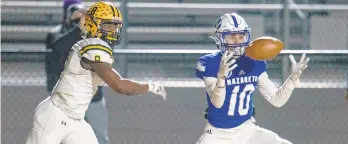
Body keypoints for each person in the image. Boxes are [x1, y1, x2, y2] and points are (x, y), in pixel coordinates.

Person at [26, 2, 166, 144]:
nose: (112, 30)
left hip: (74, 119)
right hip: (56, 115)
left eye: (114, 26)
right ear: (93, 24)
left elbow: (116, 77)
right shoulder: (91, 47)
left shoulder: (93, 44)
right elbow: (120, 85)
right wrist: (151, 86)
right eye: (107, 25)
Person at [195, 12, 310, 144]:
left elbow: (276, 99)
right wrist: (221, 76)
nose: (237, 41)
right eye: (232, 37)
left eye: (241, 36)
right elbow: (217, 102)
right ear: (220, 38)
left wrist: (292, 78)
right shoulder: (209, 62)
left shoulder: (254, 61)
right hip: (217, 134)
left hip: (246, 131)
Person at [45, 1, 110, 144]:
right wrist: (77, 29)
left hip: (93, 96)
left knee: (99, 138)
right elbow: (59, 50)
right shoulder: (55, 34)